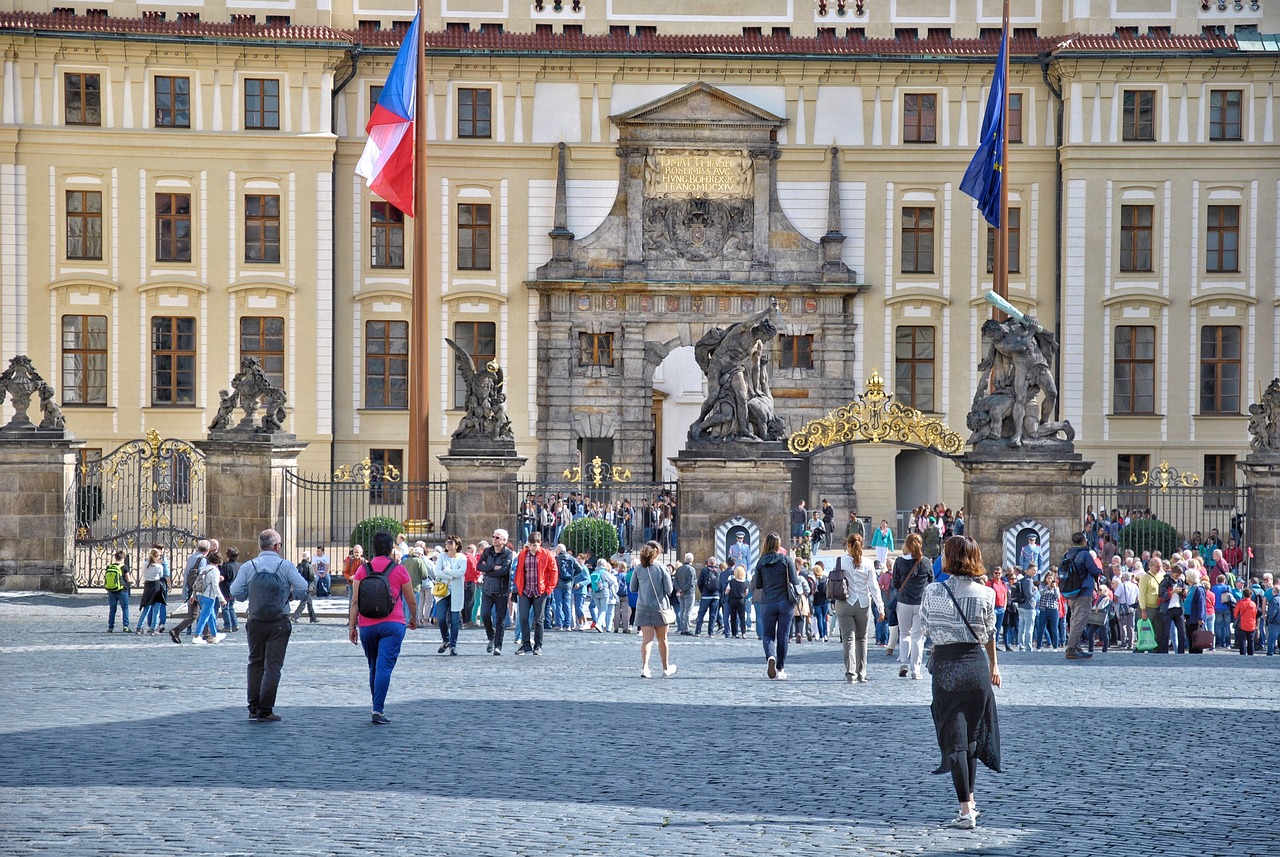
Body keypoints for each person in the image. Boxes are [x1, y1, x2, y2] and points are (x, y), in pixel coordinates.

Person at [919, 535, 1001, 831]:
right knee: (971, 740)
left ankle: (966, 811)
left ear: (950, 558)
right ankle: (971, 800)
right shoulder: (987, 593)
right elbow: (989, 632)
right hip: (976, 666)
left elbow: (926, 626)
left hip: (947, 668)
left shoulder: (933, 591)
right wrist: (995, 666)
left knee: (954, 739)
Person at [229, 529, 310, 722]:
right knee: (273, 666)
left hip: (255, 621)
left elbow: (235, 591)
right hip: (278, 621)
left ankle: (253, 707)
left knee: (255, 662)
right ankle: (266, 709)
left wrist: (250, 595)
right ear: (276, 546)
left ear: (260, 546)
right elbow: (302, 588)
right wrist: (290, 595)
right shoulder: (285, 566)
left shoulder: (250, 566)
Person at [347, 530, 419, 724]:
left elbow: (354, 601)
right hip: (393, 624)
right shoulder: (399, 570)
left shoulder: (363, 570)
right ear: (390, 550)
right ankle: (377, 709)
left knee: (374, 666)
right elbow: (411, 601)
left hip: (367, 625)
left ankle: (375, 705)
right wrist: (414, 618)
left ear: (373, 549)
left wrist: (352, 626)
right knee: (384, 666)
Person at [833, 533, 885, 684]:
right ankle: (861, 673)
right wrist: (880, 608)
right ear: (862, 545)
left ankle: (851, 673)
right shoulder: (868, 563)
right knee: (862, 639)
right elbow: (874, 587)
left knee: (848, 640)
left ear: (848, 546)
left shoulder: (841, 562)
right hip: (863, 603)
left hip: (845, 603)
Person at [753, 532, 802, 680]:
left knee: (768, 635)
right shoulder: (786, 560)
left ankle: (770, 657)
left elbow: (758, 584)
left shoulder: (761, 561)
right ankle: (780, 668)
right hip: (785, 602)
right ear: (778, 545)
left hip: (768, 602)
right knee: (783, 635)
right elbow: (794, 580)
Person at [631, 541, 677, 678]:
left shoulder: (638, 568)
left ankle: (645, 668)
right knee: (662, 639)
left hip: (643, 607)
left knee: (647, 639)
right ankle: (665, 668)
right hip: (659, 608)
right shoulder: (662, 568)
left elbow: (633, 588)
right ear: (657, 552)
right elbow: (669, 590)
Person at [892, 533, 933, 680]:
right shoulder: (926, 562)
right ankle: (915, 670)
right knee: (918, 637)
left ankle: (903, 663)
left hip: (904, 602)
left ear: (907, 545)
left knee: (904, 634)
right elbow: (931, 581)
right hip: (920, 602)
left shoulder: (899, 561)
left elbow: (895, 583)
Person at [513, 531, 557, 655]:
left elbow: (554, 572)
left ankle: (538, 645)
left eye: (535, 545)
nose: (532, 547)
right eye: (531, 545)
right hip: (525, 590)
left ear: (540, 544)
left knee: (538, 620)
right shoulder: (523, 554)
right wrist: (518, 585)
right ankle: (526, 644)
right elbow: (518, 571)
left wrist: (549, 589)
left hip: (540, 591)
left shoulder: (547, 555)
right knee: (523, 618)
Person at [478, 529, 516, 655]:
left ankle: (498, 645)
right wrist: (492, 568)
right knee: (484, 614)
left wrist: (488, 568)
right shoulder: (488, 551)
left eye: (498, 538)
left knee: (500, 620)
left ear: (504, 541)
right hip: (487, 590)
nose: (494, 539)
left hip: (501, 590)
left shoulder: (508, 553)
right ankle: (491, 636)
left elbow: (504, 571)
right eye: (493, 536)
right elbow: (479, 566)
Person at [433, 536, 467, 655]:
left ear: (457, 545)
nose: (448, 544)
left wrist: (446, 571)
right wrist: (451, 576)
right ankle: (445, 638)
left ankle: (453, 644)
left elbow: (461, 572)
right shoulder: (442, 556)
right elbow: (437, 571)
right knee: (441, 618)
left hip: (456, 590)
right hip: (443, 590)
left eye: (450, 542)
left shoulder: (462, 557)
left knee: (454, 619)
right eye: (447, 542)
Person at [192, 550, 226, 645]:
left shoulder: (203, 568)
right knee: (204, 616)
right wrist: (221, 599)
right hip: (209, 596)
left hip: (200, 594)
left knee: (211, 616)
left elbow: (198, 581)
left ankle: (215, 635)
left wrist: (193, 594)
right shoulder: (215, 571)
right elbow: (215, 586)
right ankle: (197, 636)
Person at [134, 547, 167, 635]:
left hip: (148, 586)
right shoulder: (159, 566)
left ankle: (139, 627)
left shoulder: (145, 564)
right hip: (156, 586)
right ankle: (153, 628)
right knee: (156, 610)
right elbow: (161, 575)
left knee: (146, 609)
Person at [103, 551, 131, 633]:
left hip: (111, 590)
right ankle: (125, 626)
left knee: (112, 609)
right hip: (122, 590)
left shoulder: (109, 567)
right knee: (125, 608)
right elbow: (128, 579)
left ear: (115, 558)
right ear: (123, 558)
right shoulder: (124, 567)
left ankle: (110, 627)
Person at [695, 557, 721, 637]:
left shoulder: (704, 570)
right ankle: (711, 632)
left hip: (706, 595)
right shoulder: (719, 571)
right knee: (713, 614)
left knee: (701, 613)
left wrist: (702, 591)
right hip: (716, 596)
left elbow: (699, 582)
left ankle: (698, 631)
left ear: (708, 563)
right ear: (715, 563)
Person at [673, 553, 697, 636]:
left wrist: (679, 589)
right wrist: (683, 590)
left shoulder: (679, 569)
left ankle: (682, 627)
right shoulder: (692, 569)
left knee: (682, 610)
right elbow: (691, 583)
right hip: (689, 592)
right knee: (688, 611)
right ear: (692, 560)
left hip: (681, 592)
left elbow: (675, 581)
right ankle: (686, 628)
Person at [220, 547, 243, 632]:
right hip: (234, 589)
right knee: (231, 607)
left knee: (225, 608)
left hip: (225, 589)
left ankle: (227, 625)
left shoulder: (226, 566)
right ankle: (235, 624)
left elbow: (222, 577)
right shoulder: (238, 566)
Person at [726, 566, 750, 638]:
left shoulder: (732, 581)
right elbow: (746, 592)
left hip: (733, 600)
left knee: (733, 617)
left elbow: (727, 591)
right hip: (741, 600)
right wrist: (742, 595)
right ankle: (743, 633)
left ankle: (734, 633)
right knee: (742, 617)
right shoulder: (745, 582)